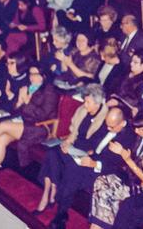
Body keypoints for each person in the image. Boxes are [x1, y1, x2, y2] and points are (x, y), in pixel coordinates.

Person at [0, 64, 57, 187]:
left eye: (35, 74)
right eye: (30, 74)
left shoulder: (49, 91)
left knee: (3, 126)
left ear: (43, 76)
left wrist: (27, 102)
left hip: (39, 127)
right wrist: (19, 101)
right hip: (23, 122)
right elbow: (16, 110)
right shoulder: (29, 88)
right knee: (2, 139)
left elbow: (43, 115)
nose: (31, 77)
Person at [50, 106, 136, 229]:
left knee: (72, 172)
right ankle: (61, 211)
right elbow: (93, 141)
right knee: (61, 157)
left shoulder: (128, 137)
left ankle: (60, 212)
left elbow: (116, 165)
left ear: (122, 123)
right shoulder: (108, 124)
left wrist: (94, 164)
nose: (107, 128)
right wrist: (76, 148)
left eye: (111, 127)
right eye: (107, 125)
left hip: (105, 170)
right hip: (92, 158)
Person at [35, 84, 109, 213]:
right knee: (52, 153)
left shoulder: (105, 119)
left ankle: (55, 195)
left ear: (97, 103)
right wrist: (67, 142)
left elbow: (98, 146)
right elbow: (73, 132)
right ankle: (47, 193)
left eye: (88, 102)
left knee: (68, 165)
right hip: (73, 147)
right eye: (85, 100)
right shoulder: (82, 110)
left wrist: (82, 152)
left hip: (86, 154)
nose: (84, 104)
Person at [89, 111, 143, 229]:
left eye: (138, 129)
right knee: (101, 181)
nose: (135, 131)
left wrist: (127, 158)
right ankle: (99, 225)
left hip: (140, 187)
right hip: (128, 176)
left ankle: (98, 226)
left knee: (106, 193)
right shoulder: (141, 137)